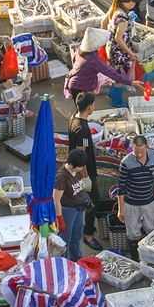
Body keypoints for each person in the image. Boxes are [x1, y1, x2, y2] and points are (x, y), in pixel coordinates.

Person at [118, 136, 154, 261]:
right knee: (132, 234)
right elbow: (121, 188)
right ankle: (135, 259)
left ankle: (153, 257)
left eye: (142, 152)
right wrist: (121, 209)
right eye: (136, 152)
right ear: (132, 149)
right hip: (132, 204)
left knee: (153, 230)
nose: (139, 155)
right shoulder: (126, 162)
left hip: (150, 202)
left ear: (147, 147)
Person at [68, 26, 143, 109]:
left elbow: (74, 59)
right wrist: (131, 83)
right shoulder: (93, 60)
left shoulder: (80, 48)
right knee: (84, 110)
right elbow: (112, 74)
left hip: (73, 82)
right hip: (79, 87)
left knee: (81, 108)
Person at [69, 93, 102, 252]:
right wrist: (86, 178)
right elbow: (81, 156)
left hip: (78, 170)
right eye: (93, 104)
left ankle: (86, 227)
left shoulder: (73, 118)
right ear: (89, 106)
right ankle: (88, 234)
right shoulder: (82, 129)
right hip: (84, 172)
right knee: (93, 202)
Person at [103, 0, 147, 107]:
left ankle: (111, 94)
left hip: (111, 48)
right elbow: (119, 38)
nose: (134, 4)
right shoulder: (123, 18)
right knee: (119, 78)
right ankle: (116, 102)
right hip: (119, 52)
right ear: (126, 2)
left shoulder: (114, 9)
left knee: (114, 74)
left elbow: (103, 23)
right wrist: (130, 53)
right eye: (133, 2)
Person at [53, 149, 88, 263]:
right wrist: (60, 219)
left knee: (77, 235)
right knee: (64, 239)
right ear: (73, 165)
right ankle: (62, 261)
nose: (81, 168)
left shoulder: (76, 171)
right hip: (67, 210)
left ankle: (76, 257)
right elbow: (56, 200)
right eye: (80, 166)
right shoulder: (62, 176)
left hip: (78, 207)